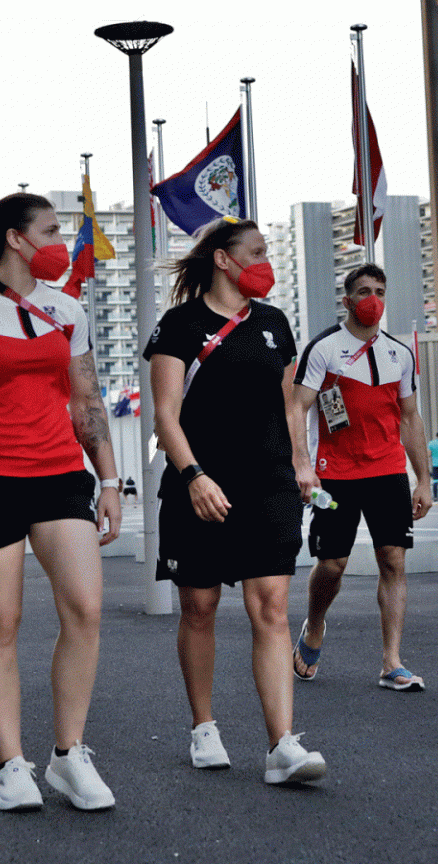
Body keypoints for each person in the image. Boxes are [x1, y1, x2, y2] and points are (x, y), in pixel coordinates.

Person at [0, 193, 123, 812]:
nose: (60, 241)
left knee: (86, 609)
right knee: (0, 624)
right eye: (51, 230)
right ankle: (12, 765)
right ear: (16, 239)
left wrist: (111, 480)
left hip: (61, 472)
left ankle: (69, 756)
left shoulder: (68, 309)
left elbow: (86, 401)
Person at [143, 216, 327, 785]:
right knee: (200, 608)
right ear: (224, 259)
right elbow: (165, 415)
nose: (265, 261)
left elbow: (290, 404)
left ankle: (282, 747)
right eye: (257, 251)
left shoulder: (274, 323)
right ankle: (203, 726)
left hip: (268, 484)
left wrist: (301, 463)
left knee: (271, 608)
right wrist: (194, 475)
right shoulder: (180, 325)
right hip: (200, 487)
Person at [289, 264, 434, 692]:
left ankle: (392, 661)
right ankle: (314, 625)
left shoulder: (400, 353)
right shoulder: (324, 349)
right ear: (348, 300)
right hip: (335, 473)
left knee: (393, 559)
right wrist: (303, 464)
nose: (374, 298)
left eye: (380, 291)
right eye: (365, 291)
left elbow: (410, 418)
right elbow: (298, 408)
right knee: (332, 564)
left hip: (387, 470)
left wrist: (423, 479)